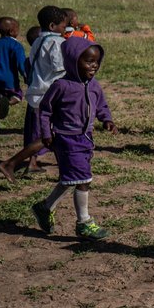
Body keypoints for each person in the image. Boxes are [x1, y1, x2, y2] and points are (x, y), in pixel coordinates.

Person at [32, 36, 116, 240]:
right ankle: (84, 222)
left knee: (71, 179)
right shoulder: (61, 86)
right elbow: (45, 111)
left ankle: (45, 207)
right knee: (83, 179)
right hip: (66, 140)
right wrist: (46, 133)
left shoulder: (94, 85)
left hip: (85, 139)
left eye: (96, 61)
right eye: (88, 61)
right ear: (72, 61)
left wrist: (106, 119)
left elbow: (101, 104)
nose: (93, 65)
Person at [0, 6, 68, 181]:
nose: (65, 29)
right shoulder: (56, 43)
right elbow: (59, 69)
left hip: (36, 93)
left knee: (41, 133)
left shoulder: (38, 41)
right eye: (63, 25)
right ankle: (10, 163)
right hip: (49, 96)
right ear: (53, 25)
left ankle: (38, 165)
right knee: (50, 135)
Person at [0, 17, 27, 130]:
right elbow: (21, 64)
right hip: (10, 80)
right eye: (17, 29)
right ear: (11, 31)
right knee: (18, 95)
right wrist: (26, 75)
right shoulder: (16, 46)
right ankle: (8, 102)